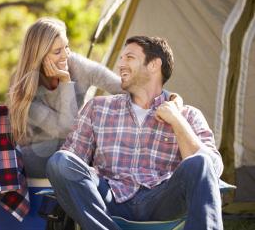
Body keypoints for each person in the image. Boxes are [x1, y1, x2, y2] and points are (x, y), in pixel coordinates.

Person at [46, 36, 224, 230]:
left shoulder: (187, 115)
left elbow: (212, 169)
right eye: (121, 58)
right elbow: (71, 161)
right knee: (60, 162)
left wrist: (178, 121)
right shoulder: (98, 108)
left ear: (154, 64)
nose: (121, 64)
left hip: (162, 200)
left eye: (129, 57)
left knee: (202, 161)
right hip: (109, 197)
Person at [7, 18, 181, 178]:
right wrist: (66, 82)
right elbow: (66, 129)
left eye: (67, 47)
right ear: (39, 56)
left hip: (72, 147)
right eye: (57, 51)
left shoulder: (76, 65)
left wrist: (168, 97)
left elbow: (123, 87)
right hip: (37, 154)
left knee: (102, 144)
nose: (66, 55)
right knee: (89, 147)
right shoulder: (23, 89)